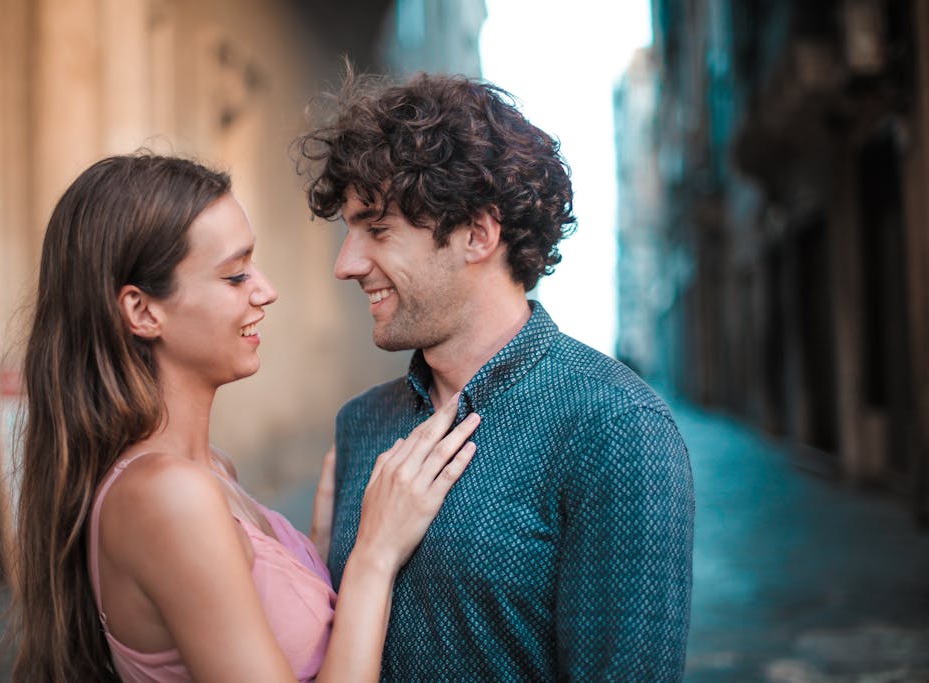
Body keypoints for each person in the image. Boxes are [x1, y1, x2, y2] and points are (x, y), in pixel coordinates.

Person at [6, 153, 481, 682]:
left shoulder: (213, 471)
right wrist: (374, 554)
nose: (265, 290)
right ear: (142, 311)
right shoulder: (167, 496)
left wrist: (317, 554)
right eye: (235, 275)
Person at [296, 71, 695, 681]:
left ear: (478, 235)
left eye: (377, 230)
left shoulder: (616, 429)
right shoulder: (361, 424)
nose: (346, 265)